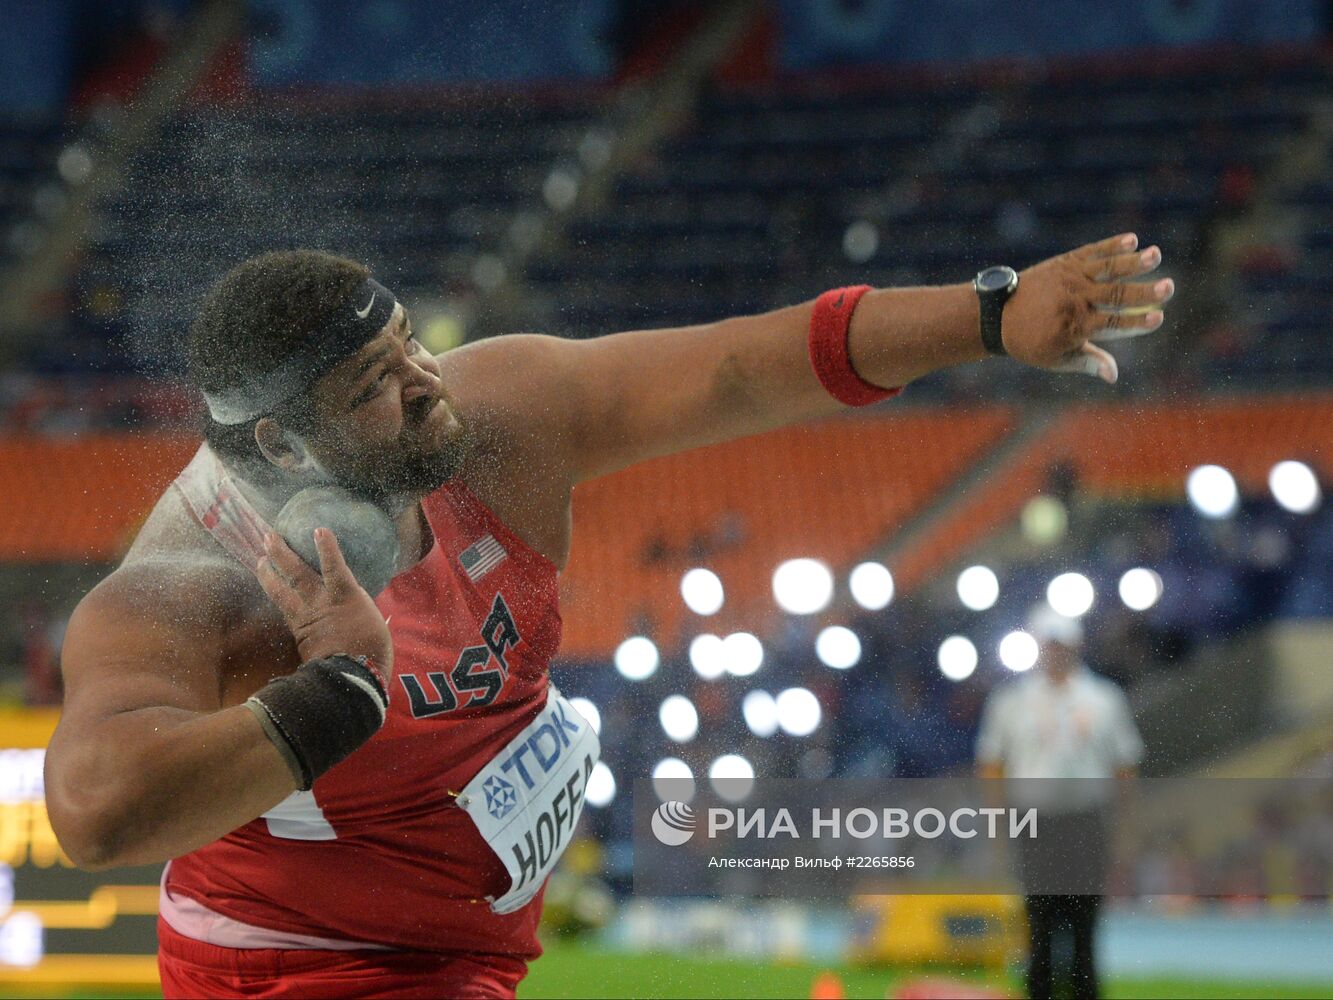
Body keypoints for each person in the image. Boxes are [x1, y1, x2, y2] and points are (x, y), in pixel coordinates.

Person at [44, 236, 1171, 998]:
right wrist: (329, 689)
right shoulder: (194, 585)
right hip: (297, 965)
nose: (424, 382)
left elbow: (738, 369)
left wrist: (987, 317)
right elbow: (96, 812)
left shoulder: (498, 421)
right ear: (283, 449)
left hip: (469, 954)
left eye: (409, 347)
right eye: (371, 388)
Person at [976, 604, 1144, 1000]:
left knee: (1085, 926)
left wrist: (1125, 831)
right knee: (1039, 925)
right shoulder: (1011, 702)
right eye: (1049, 645)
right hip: (1035, 825)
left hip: (1085, 823)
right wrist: (996, 825)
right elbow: (992, 767)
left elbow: (1125, 768)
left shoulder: (1104, 699)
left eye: (1061, 645)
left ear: (1077, 646)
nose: (1055, 653)